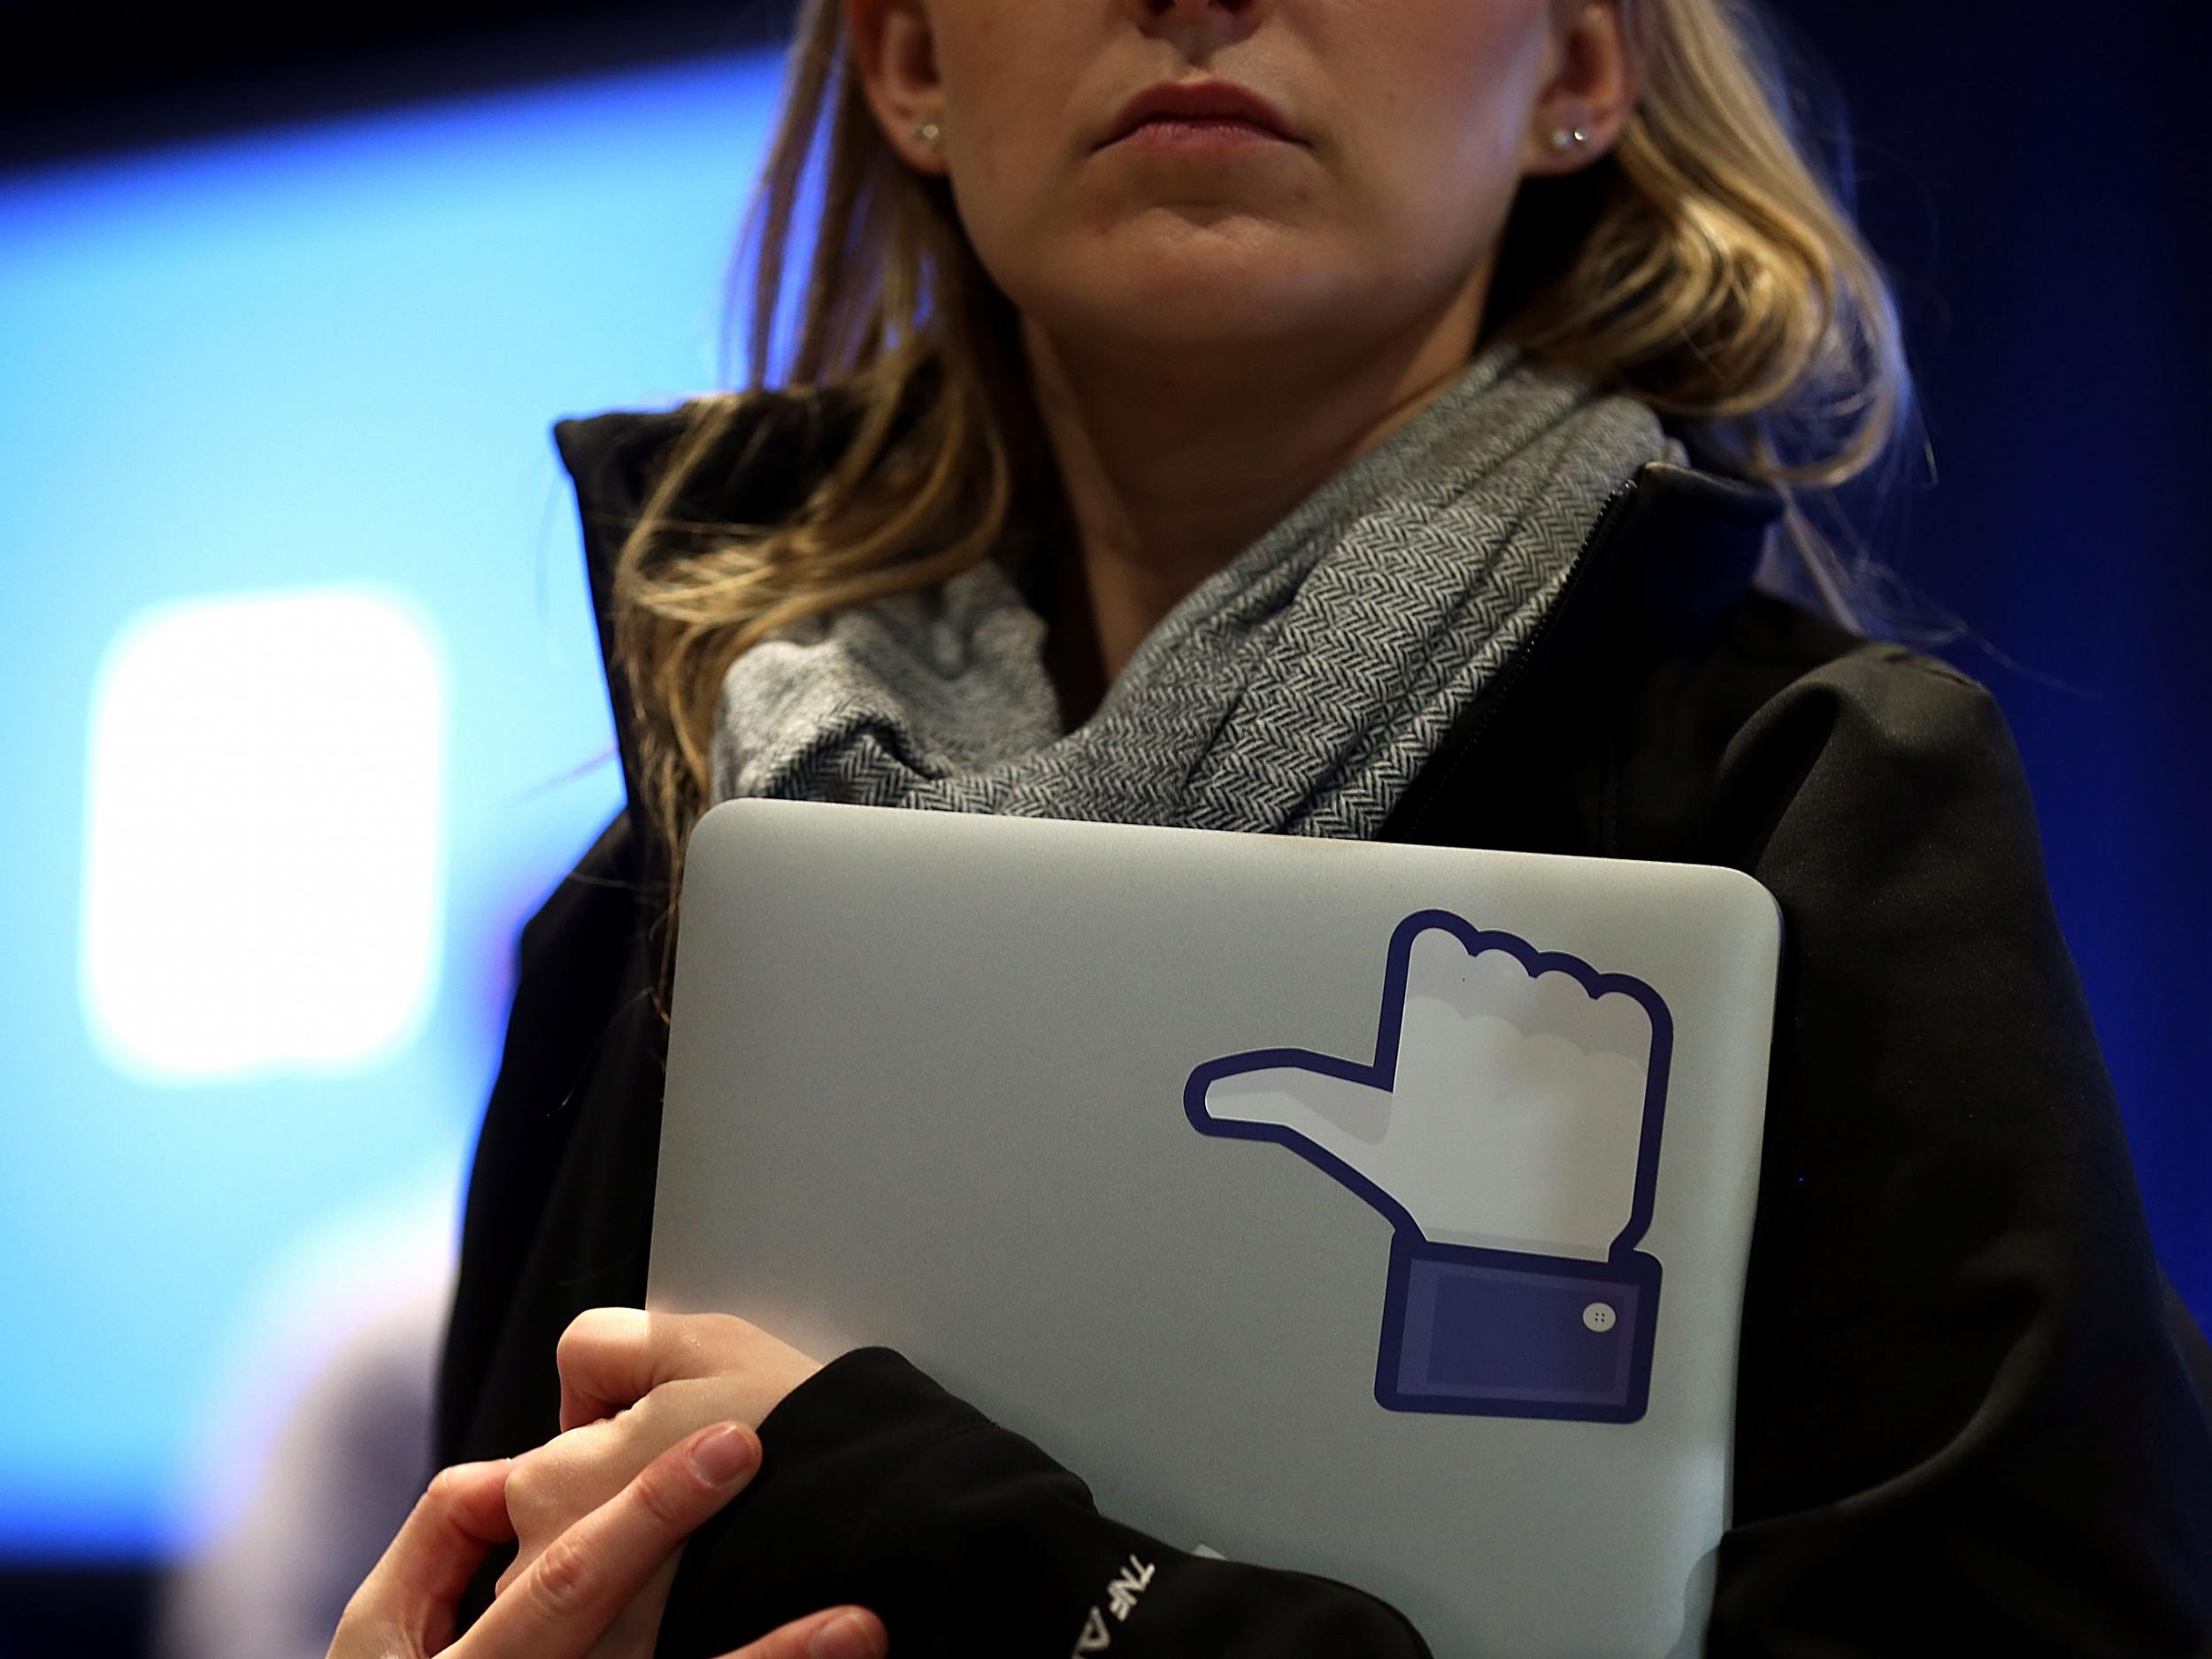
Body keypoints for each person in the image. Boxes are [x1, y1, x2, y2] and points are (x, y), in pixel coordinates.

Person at [388, 0, 2212, 1654]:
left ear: (1576, 71)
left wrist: (978, 1561)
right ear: (911, 67)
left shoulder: (1804, 808)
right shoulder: (653, 898)